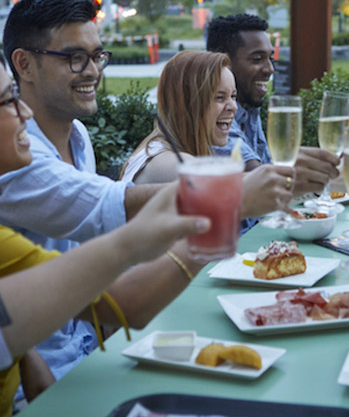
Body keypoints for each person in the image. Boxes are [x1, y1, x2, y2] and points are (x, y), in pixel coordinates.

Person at [0, 62, 211, 416]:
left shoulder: (78, 137)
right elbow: (124, 302)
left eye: (98, 55)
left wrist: (24, 354)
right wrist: (211, 214)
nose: (24, 111)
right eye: (8, 101)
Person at [0, 0, 180, 399]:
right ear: (24, 64)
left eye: (97, 56)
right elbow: (108, 211)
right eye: (74, 58)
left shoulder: (78, 136)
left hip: (90, 354)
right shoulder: (15, 165)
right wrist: (218, 197)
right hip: (46, 385)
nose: (92, 71)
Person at [121, 50, 296, 230]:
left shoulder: (178, 148)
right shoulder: (166, 162)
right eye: (219, 97)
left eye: (233, 96)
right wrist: (293, 179)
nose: (233, 107)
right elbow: (224, 187)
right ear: (187, 104)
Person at [206, 13, 339, 195]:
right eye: (257, 59)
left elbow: (268, 169)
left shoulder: (248, 109)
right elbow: (259, 176)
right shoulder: (215, 115)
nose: (270, 69)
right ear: (223, 62)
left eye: (270, 59)